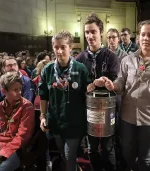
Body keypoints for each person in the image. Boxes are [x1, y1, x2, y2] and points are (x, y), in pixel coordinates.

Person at [102, 19, 150, 171]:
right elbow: (120, 83)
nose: (146, 38)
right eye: (143, 34)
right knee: (127, 153)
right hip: (128, 117)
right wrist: (112, 85)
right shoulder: (127, 60)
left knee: (146, 158)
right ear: (138, 37)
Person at [39, 30, 91, 171]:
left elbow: (87, 97)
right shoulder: (47, 70)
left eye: (63, 47)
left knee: (69, 155)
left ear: (70, 47)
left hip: (74, 123)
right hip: (55, 121)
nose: (59, 51)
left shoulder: (80, 69)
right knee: (63, 154)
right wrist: (43, 116)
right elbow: (43, 95)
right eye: (56, 47)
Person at [76, 13, 120, 171]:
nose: (89, 35)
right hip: (89, 109)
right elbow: (78, 86)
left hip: (108, 108)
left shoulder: (111, 56)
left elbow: (117, 83)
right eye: (87, 32)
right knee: (92, 147)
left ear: (100, 32)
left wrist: (110, 84)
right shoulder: (80, 59)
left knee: (108, 147)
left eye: (93, 31)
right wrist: (91, 84)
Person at [0, 71, 35, 171]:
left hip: (16, 149)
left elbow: (22, 136)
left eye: (20, 89)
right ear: (3, 91)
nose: (19, 92)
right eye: (15, 90)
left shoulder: (27, 107)